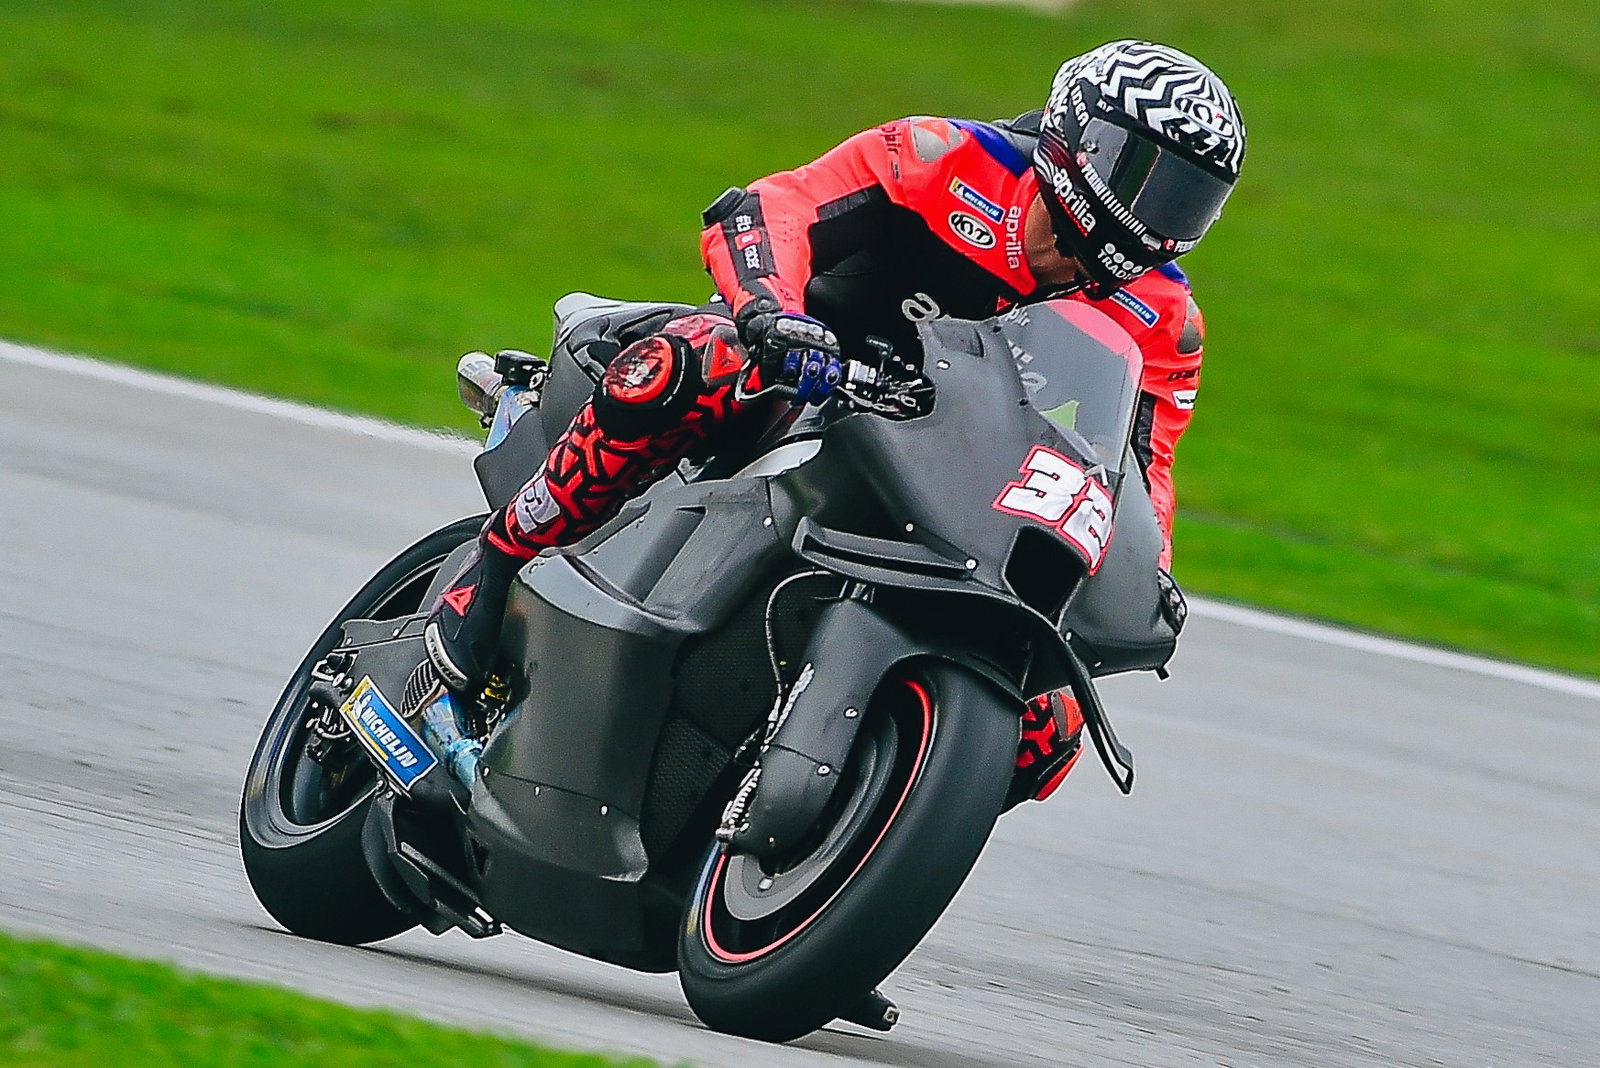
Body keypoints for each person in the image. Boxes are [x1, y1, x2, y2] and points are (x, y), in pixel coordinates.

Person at [424, 39, 1246, 801]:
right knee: (690, 366)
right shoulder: (946, 158)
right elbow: (773, 208)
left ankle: (857, 827)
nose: (1161, 212)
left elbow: (1141, 473)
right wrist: (772, 316)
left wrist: (1149, 575)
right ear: (1082, 143)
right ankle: (490, 571)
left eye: (1189, 197)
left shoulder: (1165, 319)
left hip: (954, 474)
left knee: (1051, 723)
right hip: (796, 376)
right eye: (1147, 175)